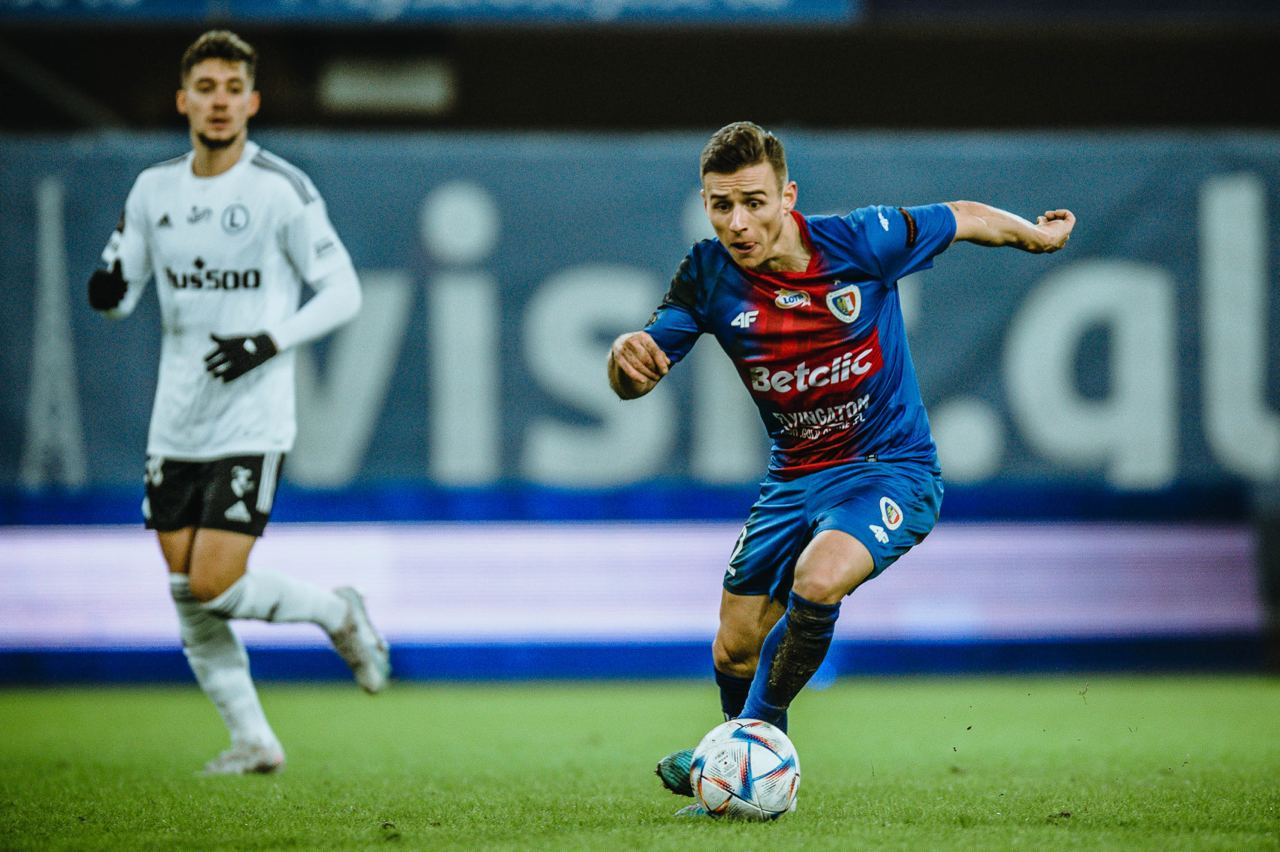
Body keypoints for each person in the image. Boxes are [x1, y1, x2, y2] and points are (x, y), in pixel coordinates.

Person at [607, 121, 1075, 815]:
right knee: (733, 649)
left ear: (788, 196)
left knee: (819, 578)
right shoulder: (708, 274)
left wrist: (1035, 237)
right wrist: (625, 365)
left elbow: (966, 217)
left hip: (890, 468)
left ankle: (742, 749)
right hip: (793, 479)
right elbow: (638, 371)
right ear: (705, 203)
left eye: (754, 202)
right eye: (721, 205)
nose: (738, 223)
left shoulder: (861, 241)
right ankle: (745, 778)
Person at [88, 30, 390, 775]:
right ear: (183, 101)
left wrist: (268, 341)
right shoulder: (153, 190)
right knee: (188, 592)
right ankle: (254, 739)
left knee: (214, 581)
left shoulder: (279, 189)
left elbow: (344, 291)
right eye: (206, 88)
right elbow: (120, 294)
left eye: (233, 89)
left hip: (253, 417)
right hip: (176, 420)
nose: (219, 102)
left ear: (252, 103)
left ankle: (338, 612)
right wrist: (108, 292)